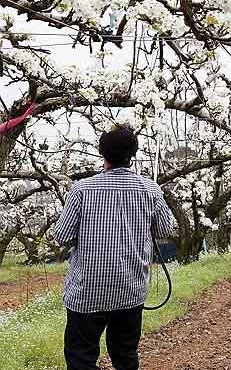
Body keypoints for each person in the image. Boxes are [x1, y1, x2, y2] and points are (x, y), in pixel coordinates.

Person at [54, 126, 176, 370]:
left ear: (102, 153)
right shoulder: (150, 189)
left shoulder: (81, 189)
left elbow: (63, 236)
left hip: (87, 291)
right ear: (132, 154)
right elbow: (166, 230)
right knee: (125, 354)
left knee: (81, 356)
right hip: (130, 290)